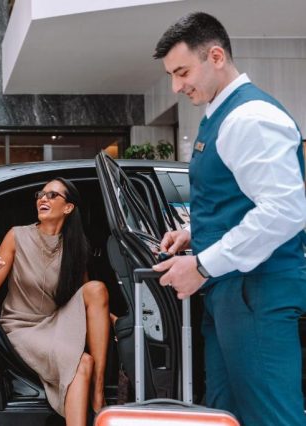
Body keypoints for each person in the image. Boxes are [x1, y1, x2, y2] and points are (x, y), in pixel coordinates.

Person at [152, 12, 306, 426]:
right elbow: (238, 200)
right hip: (233, 292)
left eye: (182, 72)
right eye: (171, 75)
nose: (176, 86)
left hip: (256, 292)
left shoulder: (250, 117)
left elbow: (285, 210)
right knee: (226, 413)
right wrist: (194, 234)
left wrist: (202, 265)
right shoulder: (220, 114)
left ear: (216, 56)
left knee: (270, 416)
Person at [0, 178, 110, 425]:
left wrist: (114, 320)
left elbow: (85, 296)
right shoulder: (17, 236)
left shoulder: (75, 246)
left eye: (52, 195)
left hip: (55, 320)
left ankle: (98, 391)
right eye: (41, 194)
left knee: (97, 288)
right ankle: (92, 406)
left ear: (68, 207)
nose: (43, 198)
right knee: (83, 362)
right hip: (21, 326)